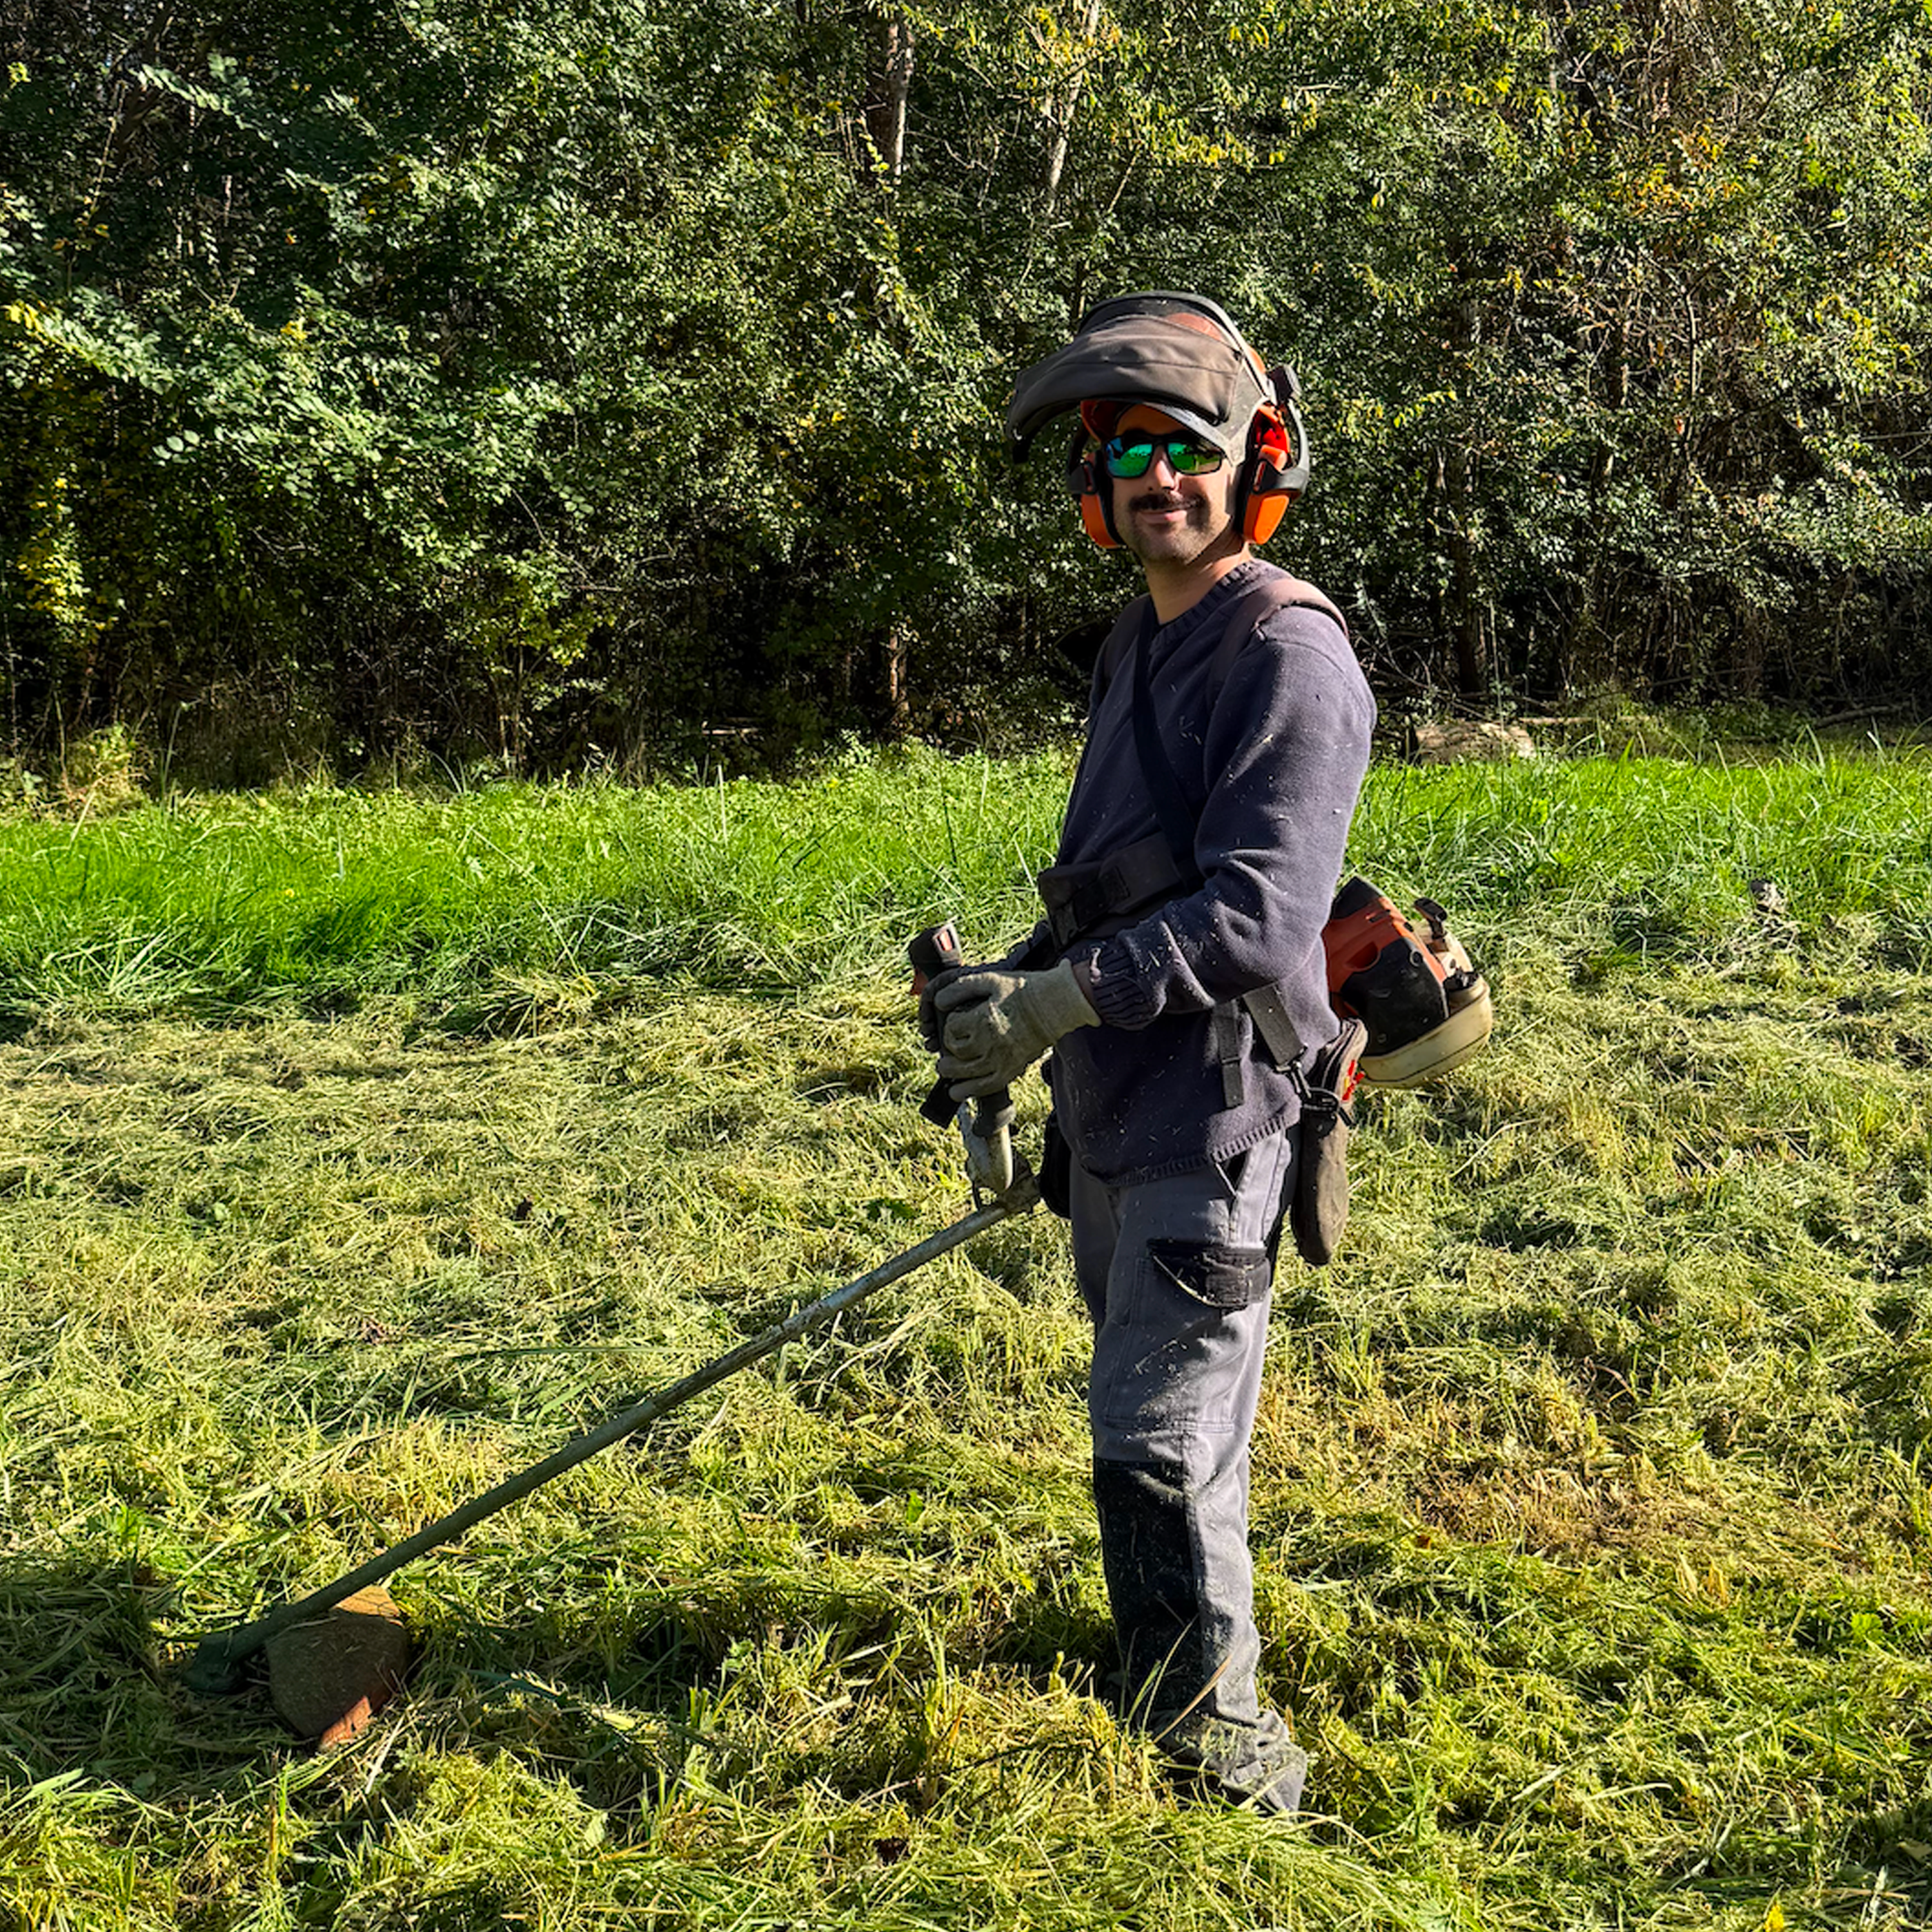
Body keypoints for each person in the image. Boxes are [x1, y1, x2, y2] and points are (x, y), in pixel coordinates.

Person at [924, 292, 1375, 1817]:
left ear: (1251, 459)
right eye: (1124, 458)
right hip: (1115, 1095)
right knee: (1135, 1413)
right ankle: (1158, 1661)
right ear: (1093, 494)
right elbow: (1118, 873)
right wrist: (1013, 993)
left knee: (1161, 1440)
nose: (1155, 482)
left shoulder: (1285, 653)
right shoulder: (1139, 636)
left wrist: (1054, 1005)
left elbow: (1255, 917)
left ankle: (1222, 1754)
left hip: (1218, 1102)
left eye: (1183, 449)